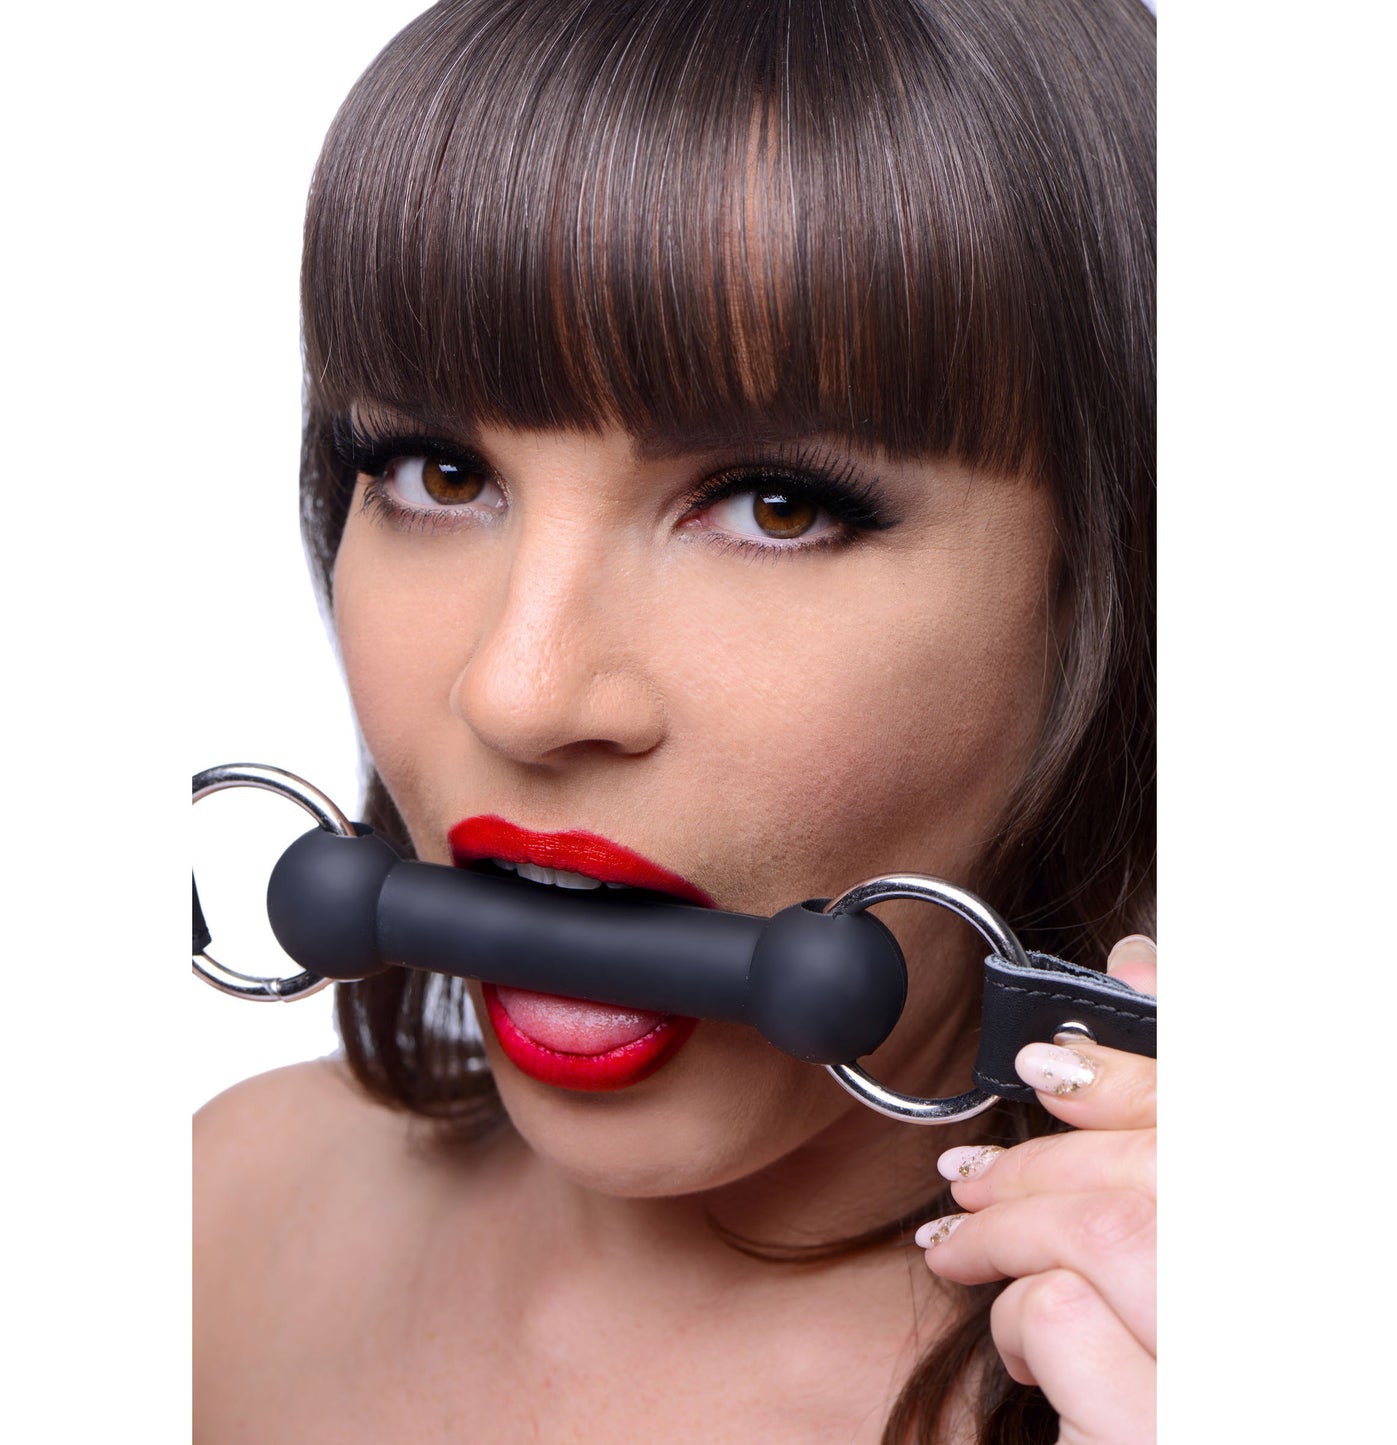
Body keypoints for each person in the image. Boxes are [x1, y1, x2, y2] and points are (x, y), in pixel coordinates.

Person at [194, 1, 1155, 1440]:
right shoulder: (211, 1222)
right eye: (437, 473)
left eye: (775, 505)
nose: (518, 691)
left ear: (1116, 585)